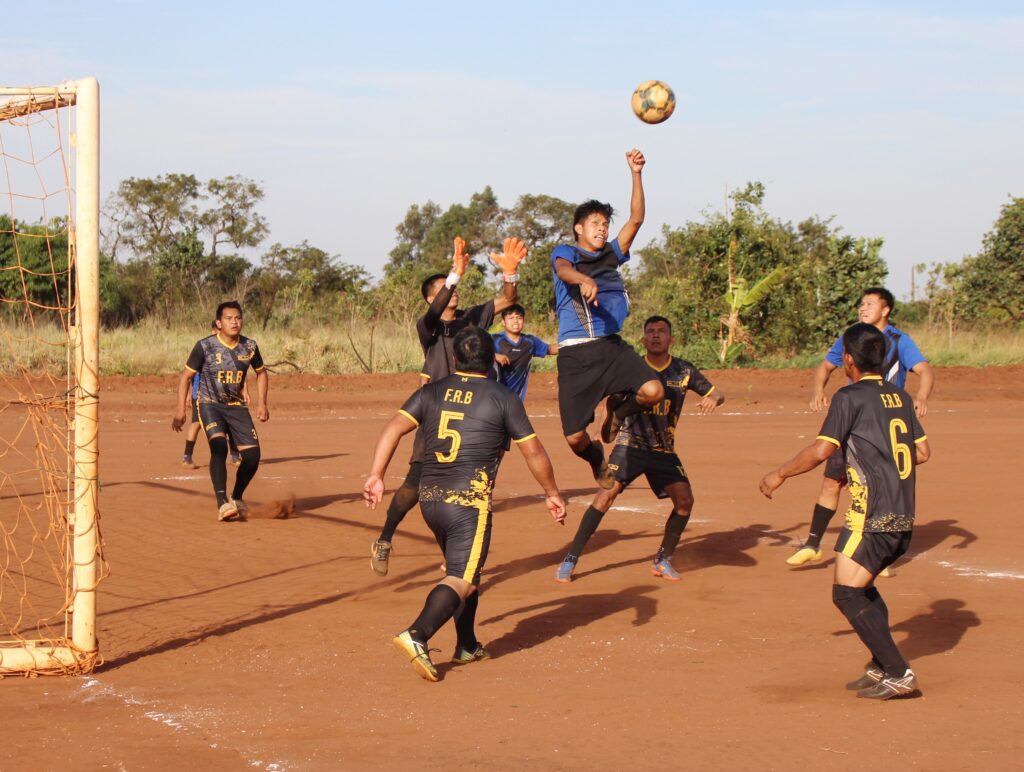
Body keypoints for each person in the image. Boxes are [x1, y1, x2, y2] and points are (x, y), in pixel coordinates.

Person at [363, 326, 566, 682]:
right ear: (492, 360)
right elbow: (532, 450)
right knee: (462, 577)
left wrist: (377, 474)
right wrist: (551, 492)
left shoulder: (431, 391)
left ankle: (467, 644)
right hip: (468, 503)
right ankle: (418, 634)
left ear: (455, 359)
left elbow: (394, 427)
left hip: (430, 499)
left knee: (461, 571)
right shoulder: (503, 397)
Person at [759, 322, 931, 700]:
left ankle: (899, 672)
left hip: (872, 513)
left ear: (848, 360)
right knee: (861, 587)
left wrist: (780, 473)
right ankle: (881, 665)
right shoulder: (900, 397)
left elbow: (822, 451)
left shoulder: (849, 397)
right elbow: (922, 452)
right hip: (902, 510)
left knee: (847, 594)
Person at [370, 236, 527, 576]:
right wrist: (455, 274)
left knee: (474, 487)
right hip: (439, 412)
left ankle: (456, 556)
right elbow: (432, 312)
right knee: (414, 488)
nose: (452, 291)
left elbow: (508, 300)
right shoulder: (428, 328)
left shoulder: (473, 317)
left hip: (480, 413)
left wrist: (510, 275)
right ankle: (385, 537)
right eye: (443, 288)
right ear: (431, 298)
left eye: (453, 286)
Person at [554, 316, 724, 583]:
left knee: (685, 501)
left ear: (672, 339)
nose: (656, 336)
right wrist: (602, 423)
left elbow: (717, 392)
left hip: (664, 449)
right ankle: (570, 559)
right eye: (650, 332)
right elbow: (606, 394)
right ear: (643, 340)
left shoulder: (683, 370)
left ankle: (662, 559)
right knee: (605, 496)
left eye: (661, 331)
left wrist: (714, 397)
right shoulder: (631, 367)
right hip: (630, 444)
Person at [787, 287, 935, 566]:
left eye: (869, 303)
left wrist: (922, 396)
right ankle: (813, 543)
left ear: (886, 309)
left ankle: (880, 554)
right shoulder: (853, 338)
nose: (862, 308)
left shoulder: (899, 340)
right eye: (861, 304)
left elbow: (925, 369)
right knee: (832, 481)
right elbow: (824, 367)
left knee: (880, 485)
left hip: (883, 421)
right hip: (855, 418)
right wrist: (818, 389)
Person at [551, 149, 664, 489]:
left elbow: (636, 219)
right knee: (574, 438)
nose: (602, 229)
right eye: (595, 224)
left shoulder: (612, 254)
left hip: (612, 349)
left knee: (653, 391)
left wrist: (636, 174)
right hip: (575, 356)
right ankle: (597, 458)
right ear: (579, 227)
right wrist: (584, 280)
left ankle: (617, 409)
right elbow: (564, 271)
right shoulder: (566, 252)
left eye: (605, 224)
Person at [171, 301, 269, 521]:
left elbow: (261, 373)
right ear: (218, 322)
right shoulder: (204, 346)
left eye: (238, 318)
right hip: (209, 404)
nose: (234, 322)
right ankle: (222, 503)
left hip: (236, 407)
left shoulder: (250, 346)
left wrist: (262, 403)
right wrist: (180, 410)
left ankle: (237, 496)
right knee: (218, 448)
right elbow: (185, 377)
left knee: (252, 457)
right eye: (229, 318)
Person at [181, 321, 244, 469]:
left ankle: (235, 456)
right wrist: (190, 394)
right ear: (213, 331)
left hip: (224, 395)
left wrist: (243, 391)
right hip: (202, 395)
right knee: (196, 424)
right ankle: (187, 456)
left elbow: (237, 373)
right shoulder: (204, 348)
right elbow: (190, 375)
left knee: (230, 424)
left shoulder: (229, 350)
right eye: (216, 331)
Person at [492, 303, 557, 401]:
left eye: (519, 318)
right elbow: (474, 352)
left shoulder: (530, 342)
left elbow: (550, 349)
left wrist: (574, 345)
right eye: (511, 318)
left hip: (516, 399)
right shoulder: (494, 339)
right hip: (494, 397)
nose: (515, 321)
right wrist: (493, 355)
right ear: (503, 322)